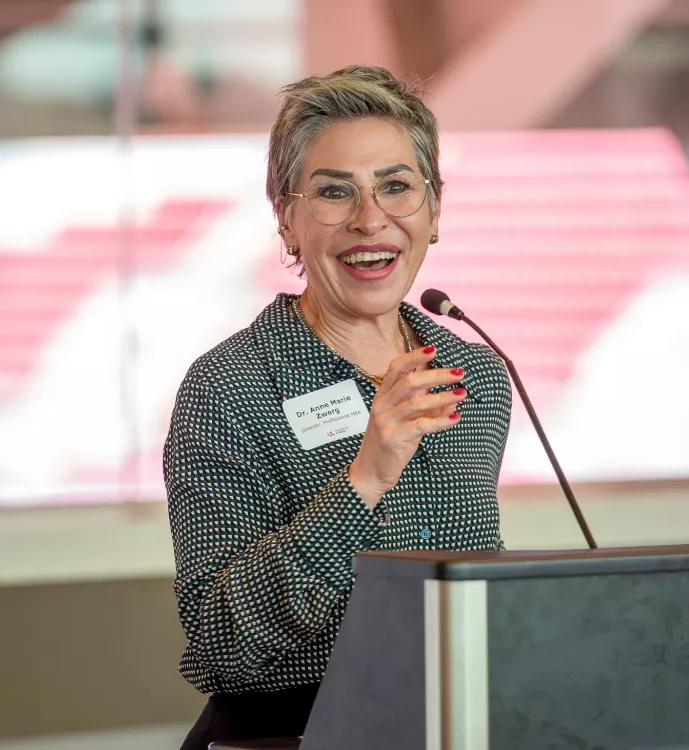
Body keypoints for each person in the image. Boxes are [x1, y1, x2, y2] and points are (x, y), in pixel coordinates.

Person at [165, 65, 512, 749]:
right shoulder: (228, 390)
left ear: (434, 210)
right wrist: (364, 479)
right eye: (333, 192)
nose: (370, 219)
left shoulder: (476, 374)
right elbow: (222, 644)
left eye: (396, 187)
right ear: (286, 219)